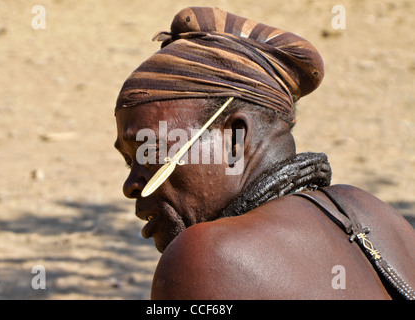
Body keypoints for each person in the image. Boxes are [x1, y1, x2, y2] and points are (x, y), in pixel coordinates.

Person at [114, 7, 415, 299]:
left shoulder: (208, 257)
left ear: (234, 139)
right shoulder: (376, 215)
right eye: (130, 161)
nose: (131, 186)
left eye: (150, 151)